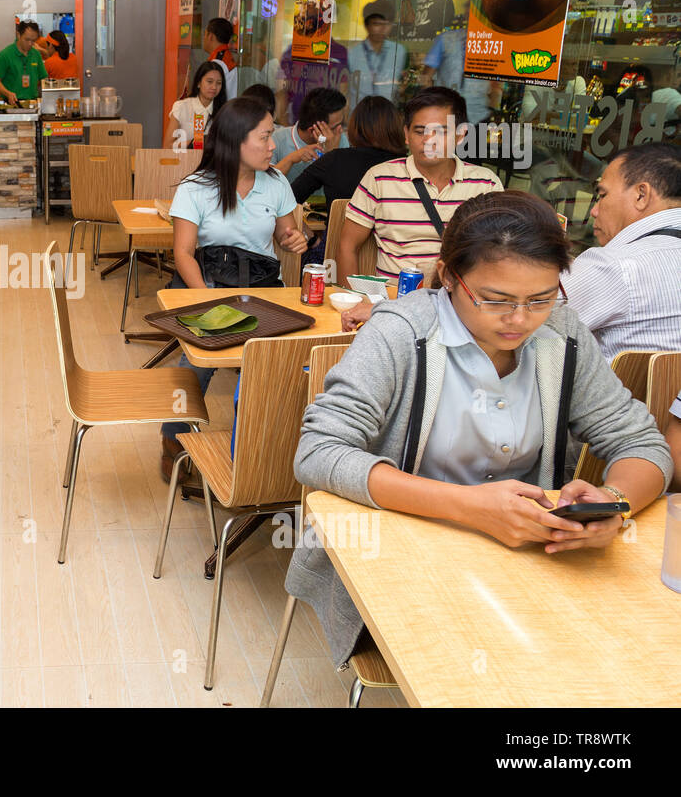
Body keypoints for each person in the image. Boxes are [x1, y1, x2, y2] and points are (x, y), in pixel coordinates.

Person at [284, 191, 673, 668]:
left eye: (541, 299)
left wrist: (615, 504)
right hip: (401, 553)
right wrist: (471, 508)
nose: (519, 320)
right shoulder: (401, 332)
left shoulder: (563, 334)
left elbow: (640, 442)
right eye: (495, 300)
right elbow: (319, 452)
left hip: (528, 557)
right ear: (449, 276)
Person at [158, 97, 310, 479]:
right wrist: (211, 303)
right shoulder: (196, 187)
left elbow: (287, 234)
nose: (274, 146)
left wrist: (296, 240)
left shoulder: (276, 183)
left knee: (259, 372)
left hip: (263, 291)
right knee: (198, 363)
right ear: (235, 141)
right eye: (265, 137)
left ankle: (249, 455)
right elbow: (184, 253)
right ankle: (172, 437)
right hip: (208, 287)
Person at [337, 87, 502, 320]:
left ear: (460, 135)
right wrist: (355, 305)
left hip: (459, 311)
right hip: (392, 309)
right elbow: (347, 245)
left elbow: (499, 254)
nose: (428, 141)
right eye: (419, 131)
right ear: (406, 134)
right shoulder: (380, 178)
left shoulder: (485, 184)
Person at [560, 142, 681, 360]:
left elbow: (525, 320)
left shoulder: (617, 266)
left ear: (641, 195)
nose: (595, 210)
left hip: (623, 394)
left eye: (603, 195)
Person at [291, 96, 405, 206]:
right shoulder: (406, 165)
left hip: (338, 226)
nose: (340, 130)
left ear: (355, 128)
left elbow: (290, 198)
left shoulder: (335, 159)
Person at [420, 26, 497, 126]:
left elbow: (495, 83)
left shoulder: (492, 42)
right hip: (447, 115)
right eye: (469, 10)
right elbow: (425, 76)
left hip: (479, 116)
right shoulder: (445, 39)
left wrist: (493, 109)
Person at [271, 87, 348, 185]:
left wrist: (332, 155)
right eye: (334, 127)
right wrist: (291, 159)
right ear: (313, 131)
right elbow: (266, 183)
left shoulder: (340, 139)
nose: (340, 130)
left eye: (342, 124)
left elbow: (344, 184)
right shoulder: (276, 139)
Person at [347, 0, 408, 107]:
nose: (383, 29)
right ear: (367, 25)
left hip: (387, 114)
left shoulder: (399, 51)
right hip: (358, 113)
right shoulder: (352, 52)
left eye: (387, 24)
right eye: (377, 24)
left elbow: (400, 82)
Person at [165, 61, 226, 149]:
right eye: (209, 81)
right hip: (183, 160)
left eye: (219, 83)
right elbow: (167, 146)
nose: (214, 87)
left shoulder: (224, 111)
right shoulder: (182, 107)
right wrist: (193, 144)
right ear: (198, 83)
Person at [0, 20, 48, 106]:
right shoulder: (5, 54)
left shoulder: (36, 54)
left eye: (33, 41)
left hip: (32, 102)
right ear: (18, 35)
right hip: (12, 103)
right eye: (27, 39)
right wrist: (8, 93)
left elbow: (43, 78)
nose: (30, 44)